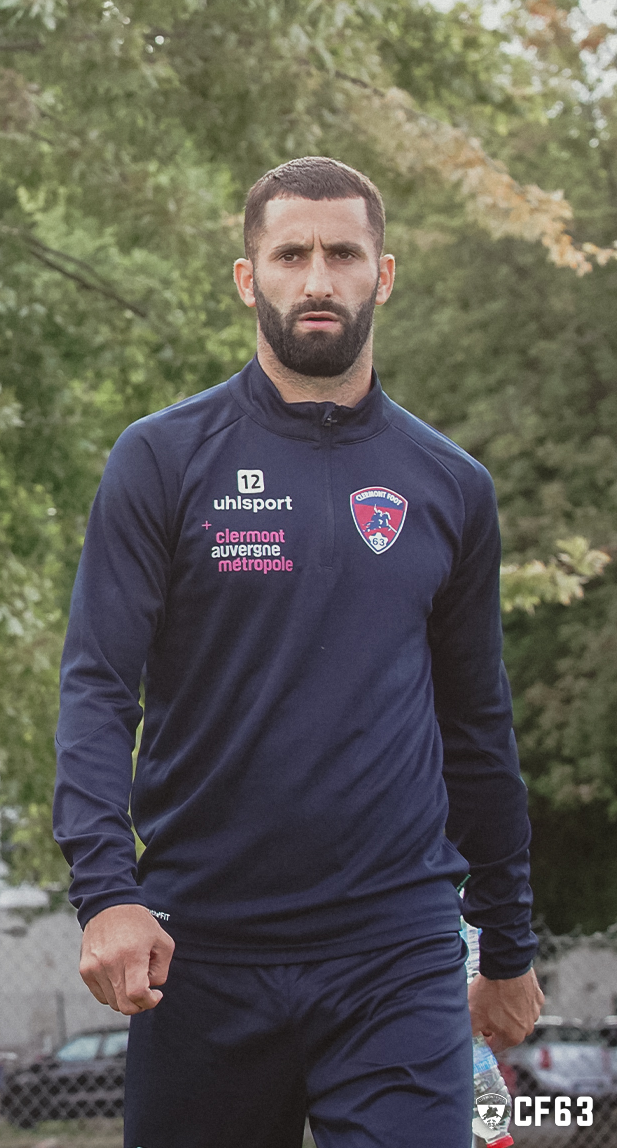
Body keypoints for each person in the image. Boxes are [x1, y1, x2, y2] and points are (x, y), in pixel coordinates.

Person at [52, 157, 545, 1147]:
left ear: (383, 274)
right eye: (290, 254)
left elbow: (475, 725)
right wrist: (106, 894)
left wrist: (505, 939)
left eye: (341, 254)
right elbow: (99, 689)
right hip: (199, 951)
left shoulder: (449, 485)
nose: (316, 278)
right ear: (249, 278)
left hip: (394, 951)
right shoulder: (161, 459)